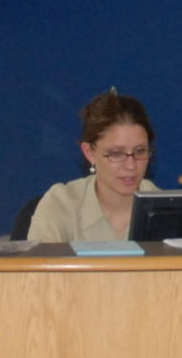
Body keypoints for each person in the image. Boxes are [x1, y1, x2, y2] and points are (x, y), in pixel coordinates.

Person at [28, 90, 159, 243]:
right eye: (116, 153)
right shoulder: (60, 205)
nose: (131, 165)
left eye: (140, 151)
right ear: (89, 152)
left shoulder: (166, 210)